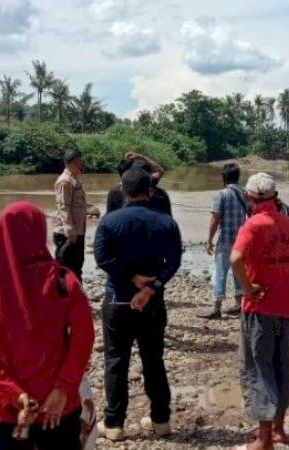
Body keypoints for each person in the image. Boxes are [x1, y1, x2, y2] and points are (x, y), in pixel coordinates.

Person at [0, 202, 95, 450]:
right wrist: (63, 388)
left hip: (0, 407)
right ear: (38, 233)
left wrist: (14, 395)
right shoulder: (64, 283)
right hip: (56, 405)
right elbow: (83, 337)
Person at [93, 167, 183, 441]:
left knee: (116, 362)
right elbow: (174, 262)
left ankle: (114, 424)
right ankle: (160, 420)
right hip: (152, 305)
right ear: (149, 190)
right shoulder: (166, 222)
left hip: (118, 301)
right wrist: (151, 287)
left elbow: (102, 259)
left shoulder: (109, 222)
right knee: (153, 361)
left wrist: (131, 277)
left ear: (123, 189)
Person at [229, 173, 289, 450]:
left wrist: (247, 288)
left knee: (258, 369)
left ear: (249, 198)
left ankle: (263, 440)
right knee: (281, 366)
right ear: (275, 196)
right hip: (283, 306)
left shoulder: (252, 225)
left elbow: (235, 259)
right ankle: (279, 430)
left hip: (258, 308)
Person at [198, 163, 249, 319]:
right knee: (238, 272)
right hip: (242, 241)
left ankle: (217, 308)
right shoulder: (245, 194)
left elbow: (215, 219)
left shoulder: (221, 195)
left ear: (224, 177)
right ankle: (238, 304)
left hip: (225, 240)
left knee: (220, 273)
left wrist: (209, 240)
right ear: (238, 177)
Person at [54, 149, 88, 281]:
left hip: (77, 231)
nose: (81, 165)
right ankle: (66, 298)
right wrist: (70, 231)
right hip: (68, 233)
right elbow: (63, 206)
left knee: (77, 267)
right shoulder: (65, 181)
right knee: (66, 269)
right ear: (72, 163)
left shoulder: (74, 179)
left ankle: (77, 296)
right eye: (79, 162)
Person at [106, 152, 170, 216]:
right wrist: (141, 157)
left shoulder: (113, 192)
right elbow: (159, 170)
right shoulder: (149, 185)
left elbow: (108, 218)